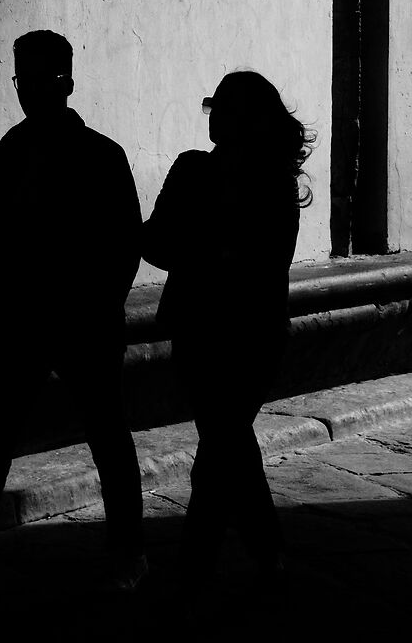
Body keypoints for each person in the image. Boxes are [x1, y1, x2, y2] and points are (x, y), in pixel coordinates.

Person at [0, 31, 148, 591]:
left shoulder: (20, 155)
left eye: (35, 80)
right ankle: (124, 553)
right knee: (94, 438)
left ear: (64, 83)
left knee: (20, 442)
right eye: (22, 80)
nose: (26, 91)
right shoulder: (56, 155)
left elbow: (122, 244)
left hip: (56, 320)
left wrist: (98, 305)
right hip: (46, 321)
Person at [141, 71, 312, 577]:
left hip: (232, 331)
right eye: (212, 106)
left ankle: (198, 573)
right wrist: (219, 251)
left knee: (220, 447)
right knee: (227, 442)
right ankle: (266, 554)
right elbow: (159, 245)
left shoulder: (250, 180)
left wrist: (200, 249)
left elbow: (168, 245)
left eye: (223, 108)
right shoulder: (240, 177)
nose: (213, 116)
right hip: (226, 331)